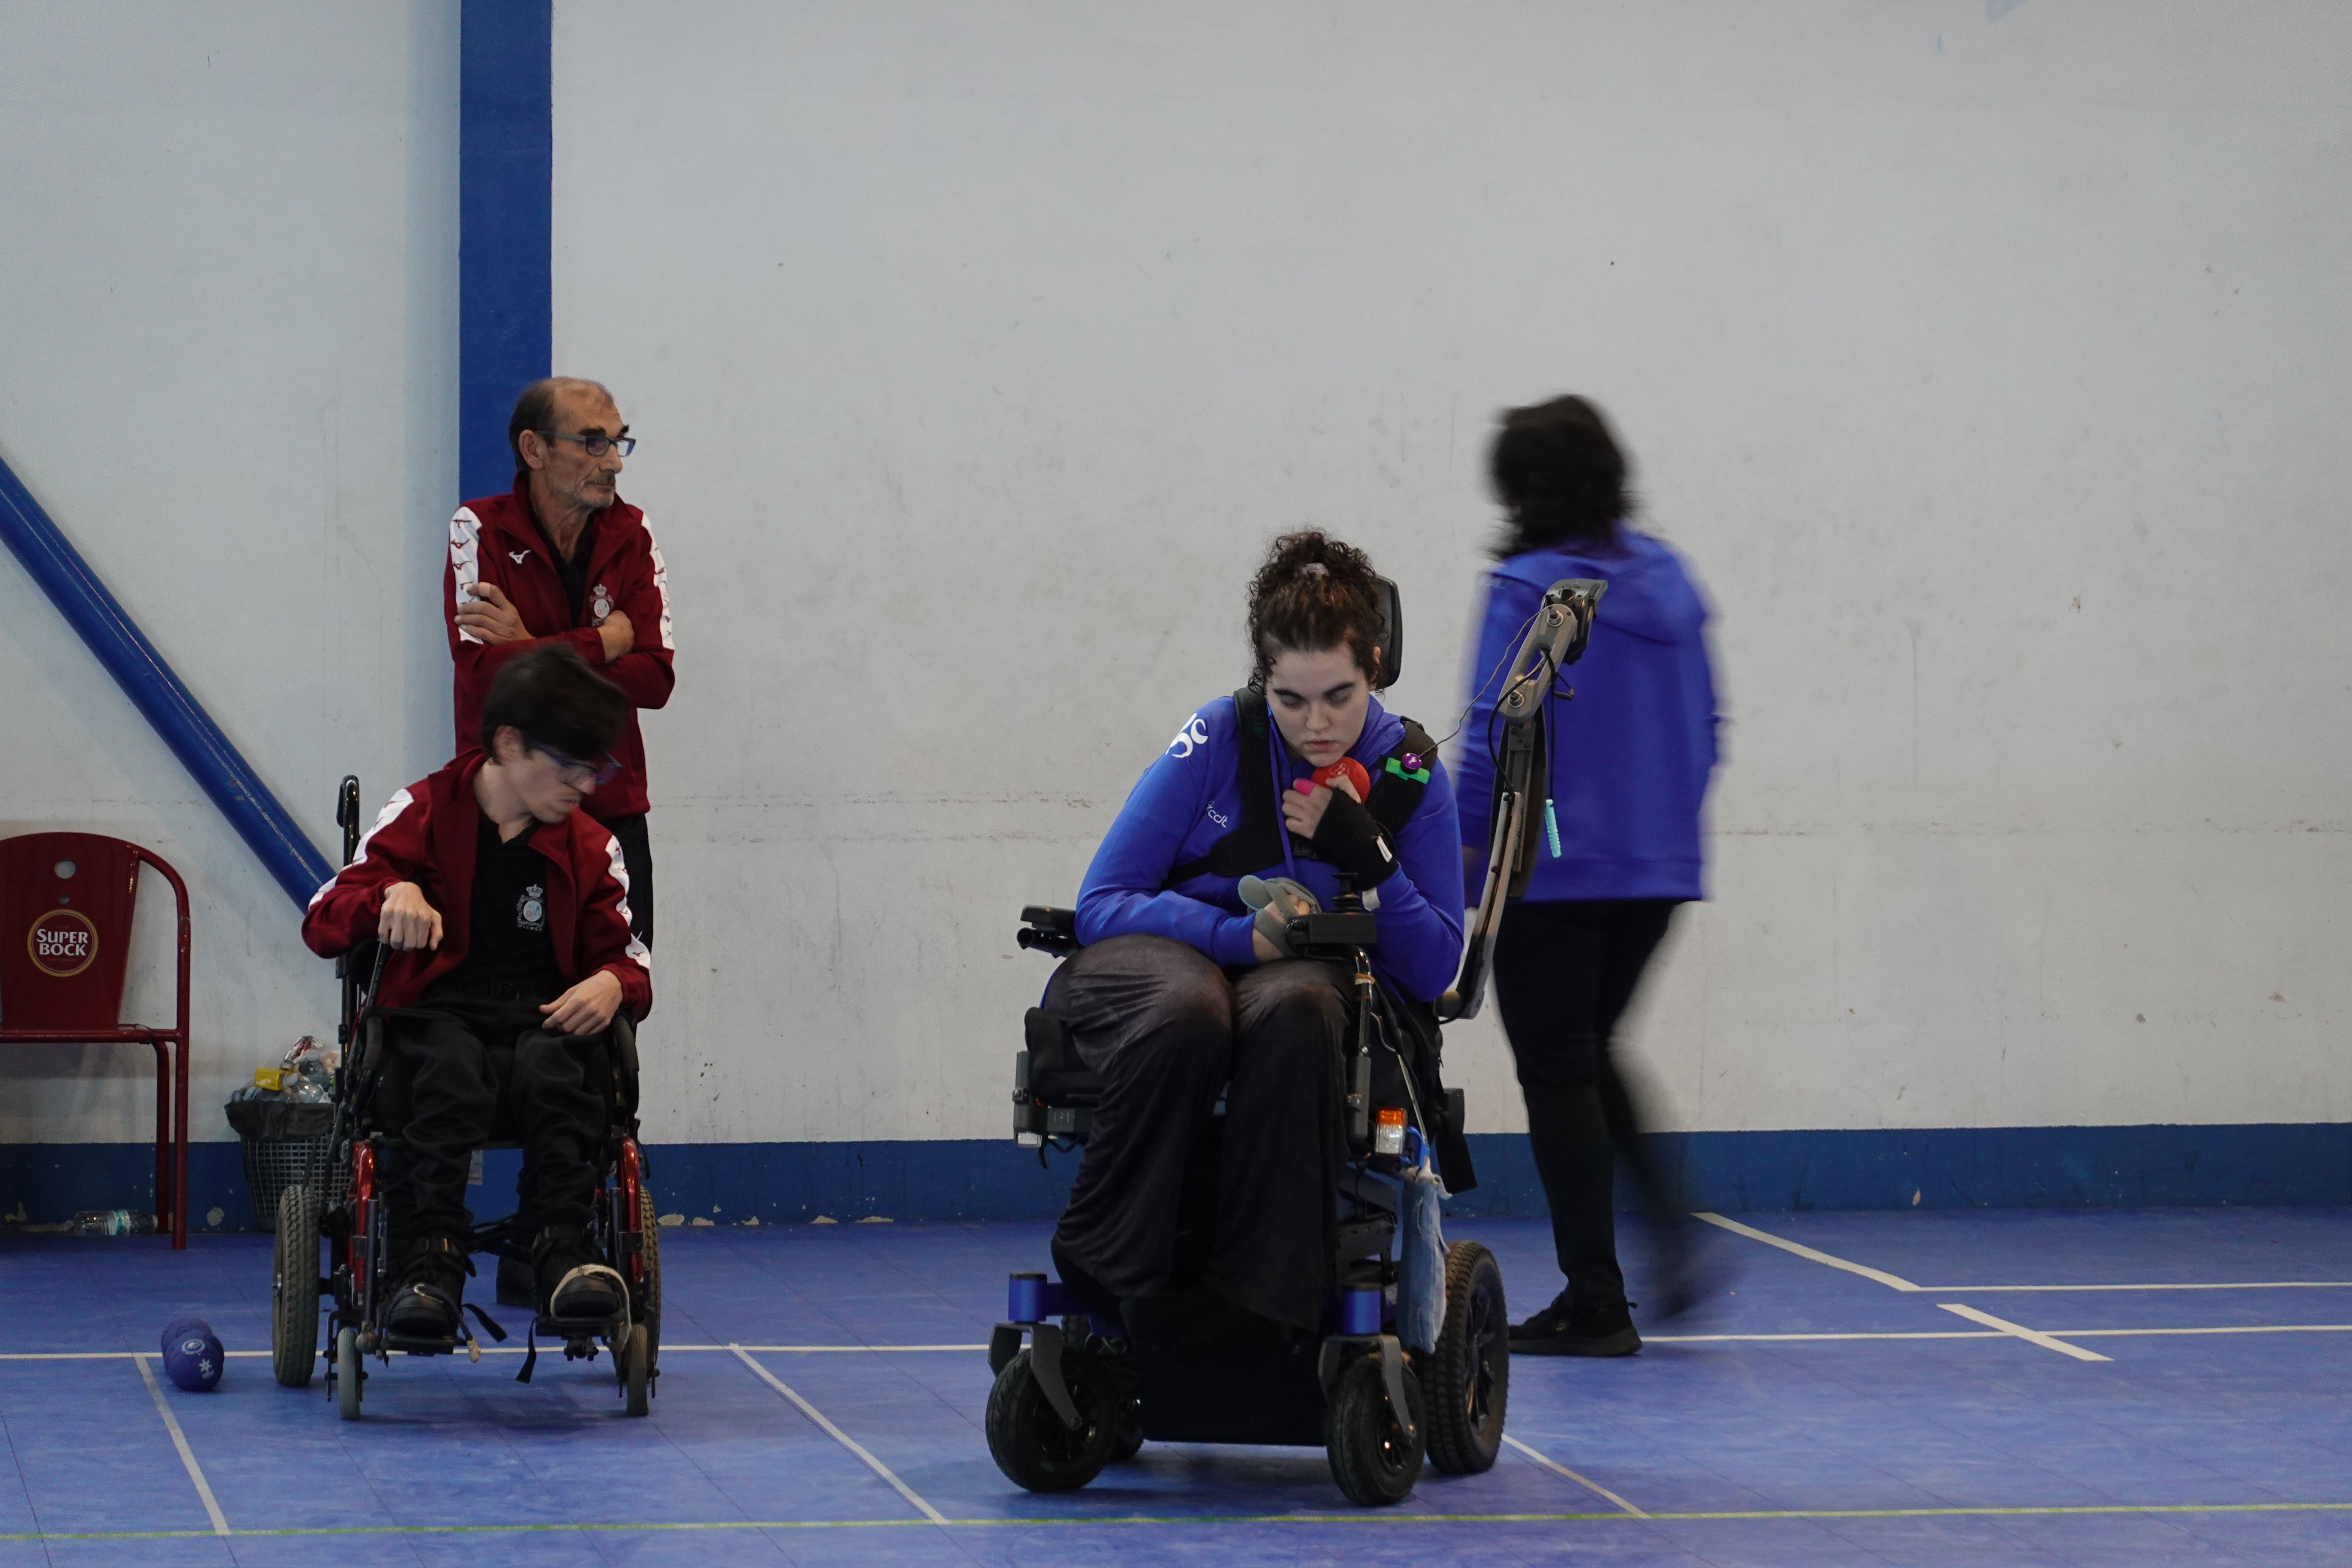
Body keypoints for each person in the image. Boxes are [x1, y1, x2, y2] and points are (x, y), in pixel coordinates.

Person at [1048, 531, 1465, 1353]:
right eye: (1291, 700)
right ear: (1262, 680)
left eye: (1339, 697)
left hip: (1309, 981)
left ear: (1374, 667)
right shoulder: (1216, 738)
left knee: (1300, 1007)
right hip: (1175, 961)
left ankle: (1261, 1309)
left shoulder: (1412, 773)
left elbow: (1431, 968)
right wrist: (1235, 937)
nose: (1317, 724)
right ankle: (1102, 1271)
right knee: (1188, 1011)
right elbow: (1101, 902)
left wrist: (1371, 859)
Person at [1454, 395, 1721, 1357]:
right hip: (1659, 873)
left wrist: (1465, 868)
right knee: (1592, 1054)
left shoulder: (1529, 591)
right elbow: (1711, 728)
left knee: (1559, 1071)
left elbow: (1491, 741)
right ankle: (1671, 1237)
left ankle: (1595, 1301)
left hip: (1553, 873)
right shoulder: (1673, 582)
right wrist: (1663, 832)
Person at [302, 646, 654, 1339]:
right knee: (447, 1068)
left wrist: (614, 982)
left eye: (597, 767)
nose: (587, 784)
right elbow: (323, 916)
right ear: (509, 744)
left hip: (542, 1016)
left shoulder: (591, 846)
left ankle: (560, 1247)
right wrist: (388, 894)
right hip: (437, 1013)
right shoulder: (423, 811)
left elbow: (630, 958)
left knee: (562, 1068)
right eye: (571, 765)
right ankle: (426, 1259)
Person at [445, 377, 672, 946]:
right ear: (535, 449)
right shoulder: (477, 530)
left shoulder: (633, 533)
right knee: (504, 986)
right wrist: (602, 643)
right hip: (506, 812)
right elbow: (485, 677)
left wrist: (528, 642)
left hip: (611, 808)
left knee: (621, 985)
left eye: (619, 442)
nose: (614, 462)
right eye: (593, 443)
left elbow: (655, 678)